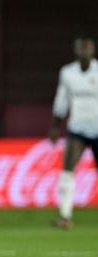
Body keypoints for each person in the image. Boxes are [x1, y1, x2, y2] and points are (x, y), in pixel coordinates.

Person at [50, 36, 98, 230]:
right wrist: (55, 125)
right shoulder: (67, 72)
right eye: (81, 49)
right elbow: (61, 99)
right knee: (67, 169)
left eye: (88, 49)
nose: (84, 52)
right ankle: (65, 216)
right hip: (77, 128)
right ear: (76, 51)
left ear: (93, 51)